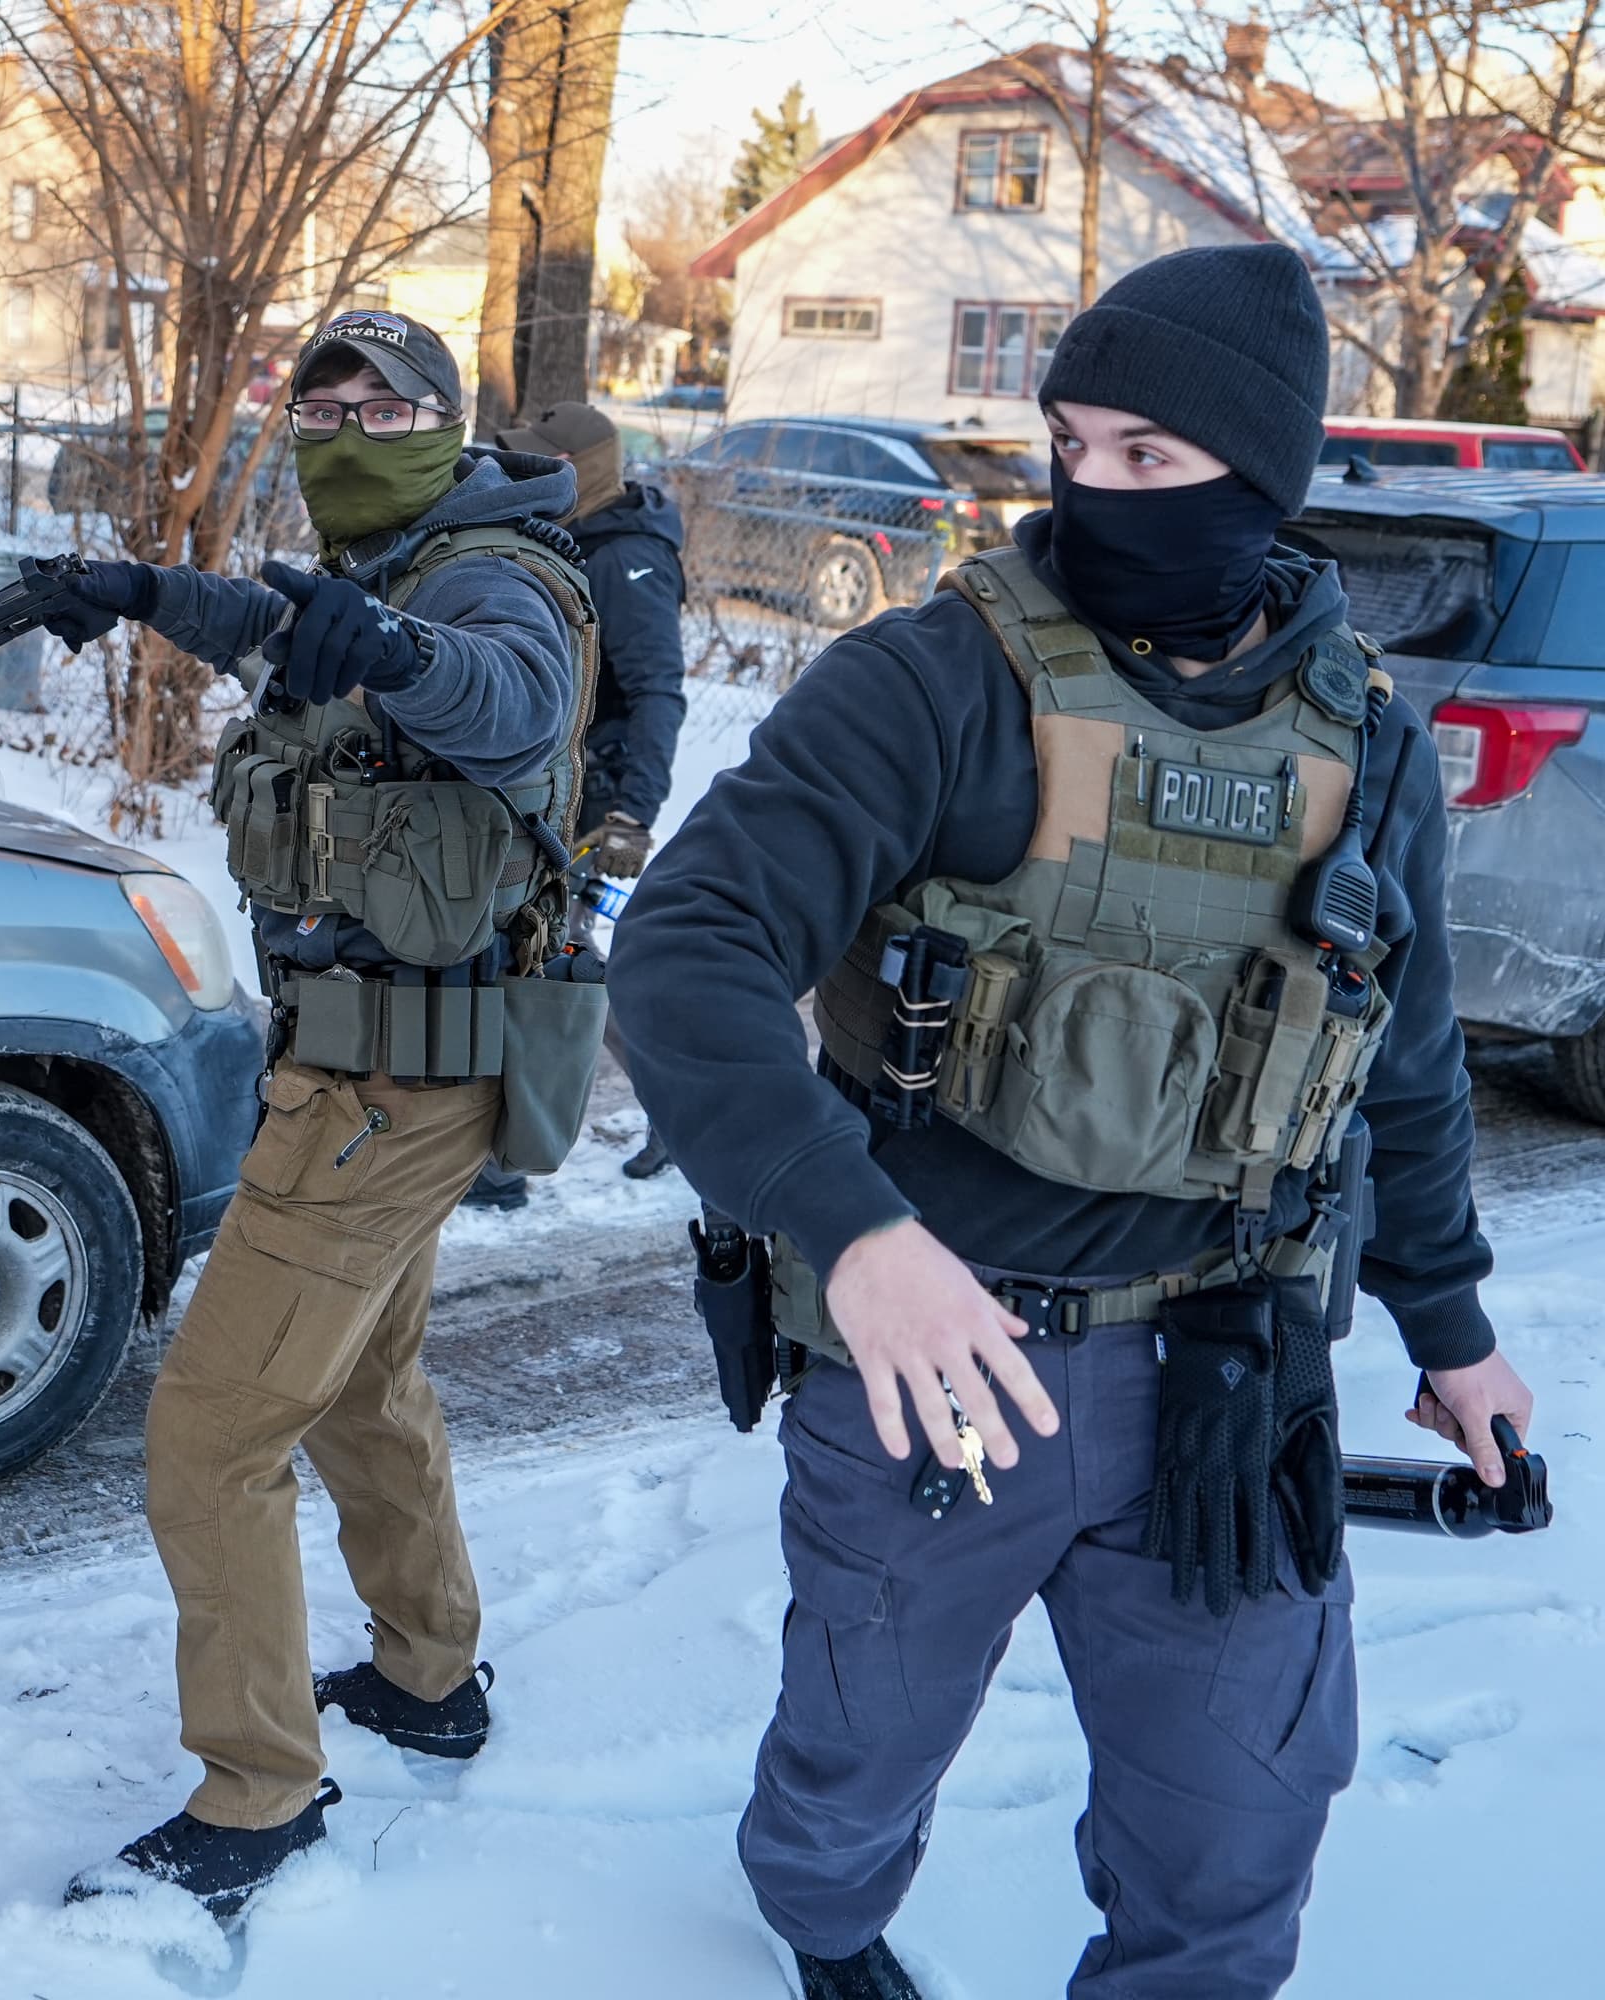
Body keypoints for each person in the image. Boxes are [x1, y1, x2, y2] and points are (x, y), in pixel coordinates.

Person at [608, 243, 1535, 1999]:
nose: (1090, 488)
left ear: (1257, 479)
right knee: (852, 1766)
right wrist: (857, 1233)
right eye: (1072, 442)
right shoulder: (938, 683)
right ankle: (820, 1928)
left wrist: (1456, 1327)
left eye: (1144, 457)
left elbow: (1397, 1061)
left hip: (1229, 1375)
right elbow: (688, 947)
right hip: (938, 1379)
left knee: (1241, 1827)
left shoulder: (1369, 746)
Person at [15, 309, 598, 1921]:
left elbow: (511, 707)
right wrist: (131, 592)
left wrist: (400, 658)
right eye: (316, 403)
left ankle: (258, 1793)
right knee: (361, 1386)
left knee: (210, 1437)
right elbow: (276, 618)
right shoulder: (397, 560)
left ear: (442, 419)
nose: (340, 428)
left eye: (379, 403)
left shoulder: (481, 583)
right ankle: (430, 1674)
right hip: (392, 1070)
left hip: (381, 1090)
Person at [464, 401, 688, 1209]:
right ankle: (677, 1110)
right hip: (549, 784)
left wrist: (634, 814)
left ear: (579, 468)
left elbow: (660, 689)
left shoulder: (629, 559)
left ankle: (504, 1165)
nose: (516, 468)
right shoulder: (571, 535)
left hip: (598, 800)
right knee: (566, 964)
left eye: (536, 458)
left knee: (543, 964)